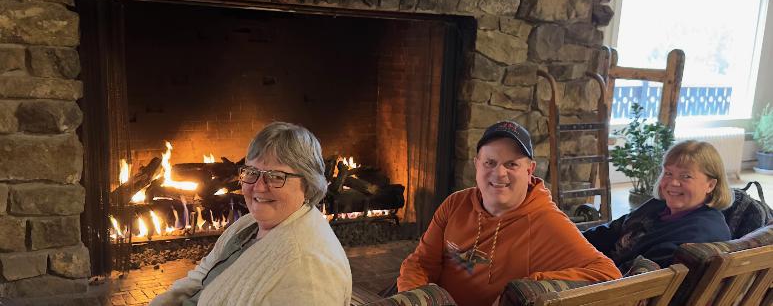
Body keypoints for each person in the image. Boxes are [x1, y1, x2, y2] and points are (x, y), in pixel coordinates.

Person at [397, 120, 621, 306]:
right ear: (477, 165)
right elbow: (420, 263)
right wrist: (418, 297)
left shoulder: (548, 222)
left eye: (511, 164)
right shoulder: (455, 204)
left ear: (530, 169)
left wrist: (532, 286)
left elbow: (608, 274)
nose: (499, 173)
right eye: (490, 163)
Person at [150, 122, 351, 306]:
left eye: (275, 176)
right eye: (251, 172)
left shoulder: (310, 271)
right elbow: (200, 277)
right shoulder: (248, 226)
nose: (258, 187)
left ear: (307, 185)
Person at [583, 140, 732, 272]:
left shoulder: (700, 233)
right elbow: (614, 229)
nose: (673, 183)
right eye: (668, 173)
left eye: (686, 176)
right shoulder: (659, 206)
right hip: (599, 267)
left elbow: (635, 277)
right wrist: (576, 241)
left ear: (710, 185)